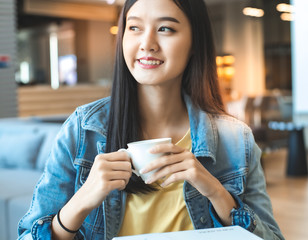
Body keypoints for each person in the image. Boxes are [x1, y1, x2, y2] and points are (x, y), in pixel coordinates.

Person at [18, 0, 284, 239]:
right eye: (134, 28)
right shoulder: (82, 130)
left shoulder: (235, 139)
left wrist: (216, 192)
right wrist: (82, 201)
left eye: (165, 29)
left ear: (195, 43)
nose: (147, 43)